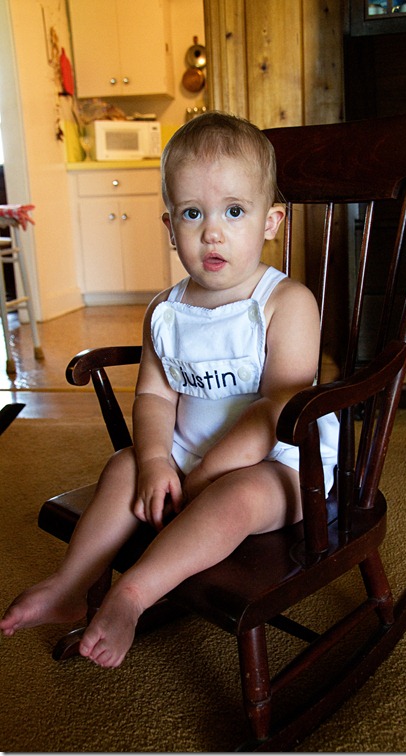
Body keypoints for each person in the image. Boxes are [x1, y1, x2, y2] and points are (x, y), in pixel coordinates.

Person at [0, 112, 339, 668]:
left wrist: (204, 478)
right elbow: (155, 396)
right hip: (189, 452)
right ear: (169, 225)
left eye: (234, 211)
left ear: (271, 220)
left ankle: (132, 593)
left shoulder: (285, 303)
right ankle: (72, 583)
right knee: (122, 466)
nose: (212, 231)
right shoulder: (166, 311)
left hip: (281, 461)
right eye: (191, 213)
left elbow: (275, 410)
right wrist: (158, 459)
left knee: (238, 499)